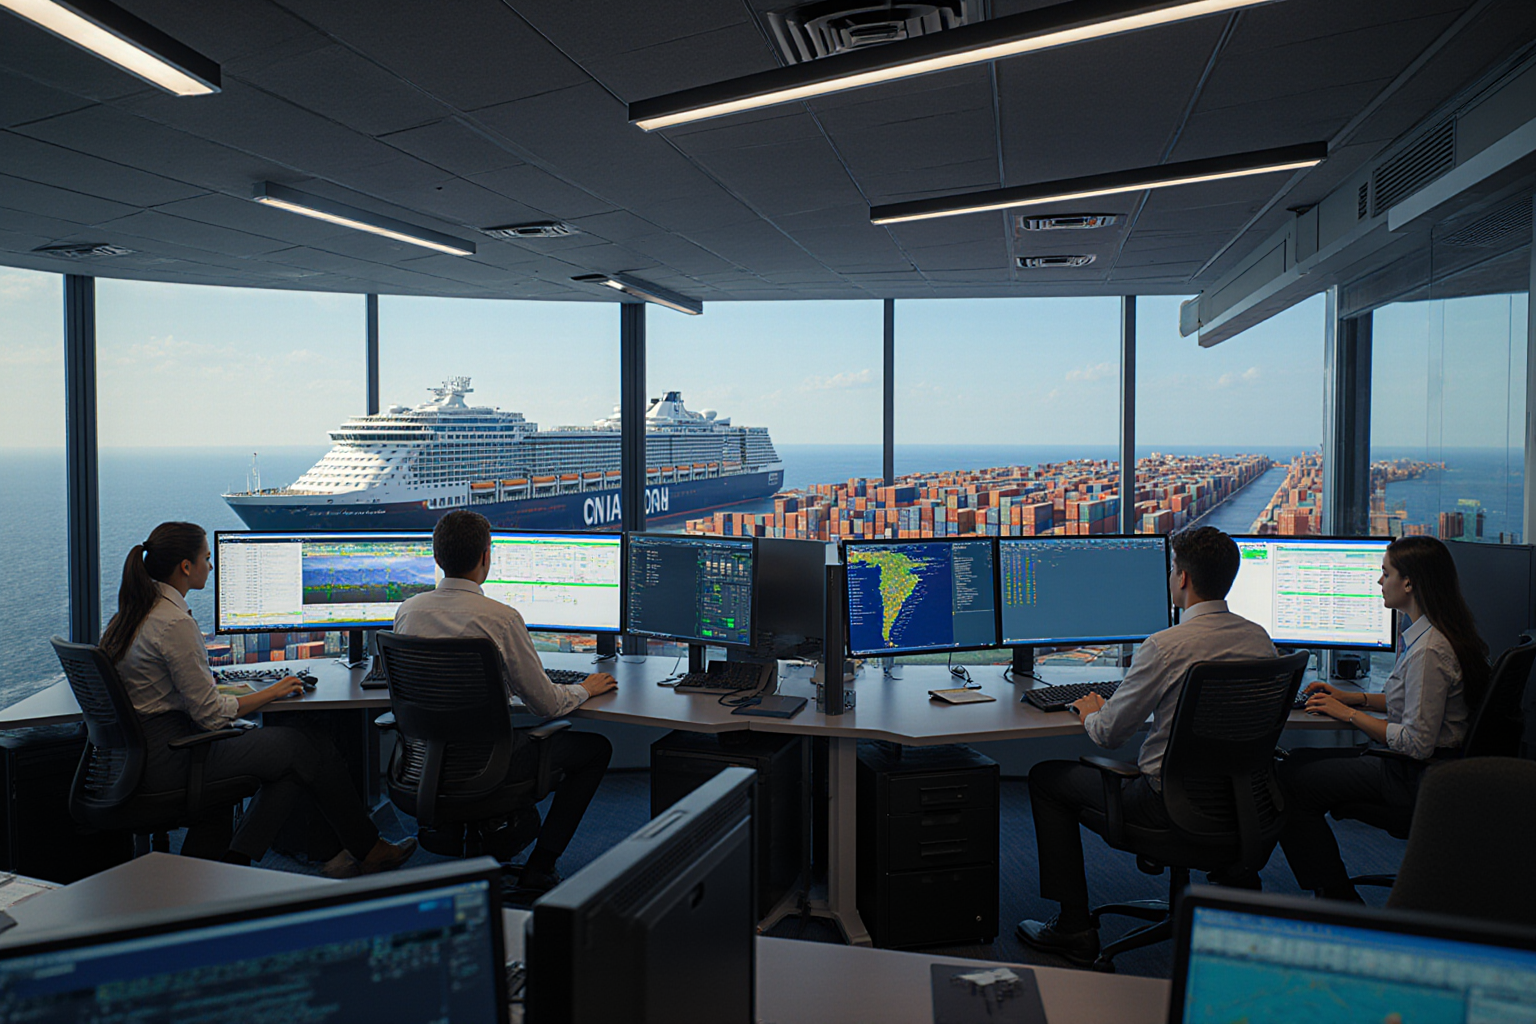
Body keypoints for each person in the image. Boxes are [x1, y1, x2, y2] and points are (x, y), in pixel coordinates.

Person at [1016, 526, 1277, 966]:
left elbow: (1110, 735)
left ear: (1182, 579)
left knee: (1047, 779)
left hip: (1166, 806)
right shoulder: (1260, 640)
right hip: (1243, 805)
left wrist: (1092, 709)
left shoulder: (1165, 646)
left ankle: (1074, 927)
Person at [99, 521, 417, 875]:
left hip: (138, 761)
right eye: (206, 558)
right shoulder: (173, 623)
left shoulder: (130, 615)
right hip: (171, 759)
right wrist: (273, 691)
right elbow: (212, 716)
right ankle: (366, 849)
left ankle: (238, 867)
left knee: (294, 765)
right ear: (185, 567)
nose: (211, 566)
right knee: (307, 749)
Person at [393, 510, 618, 891]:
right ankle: (540, 866)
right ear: (486, 557)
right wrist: (586, 688)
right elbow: (547, 705)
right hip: (489, 769)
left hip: (421, 765)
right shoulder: (501, 618)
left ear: (436, 557)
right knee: (595, 750)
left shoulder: (407, 611)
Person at [1278, 535, 1483, 902]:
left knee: (1289, 781)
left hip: (1411, 774)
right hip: (1423, 768)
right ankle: (1327, 890)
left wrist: (1348, 714)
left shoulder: (1430, 650)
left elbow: (1416, 742)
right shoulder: (1435, 634)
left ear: (1409, 583)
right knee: (1297, 762)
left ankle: (1337, 898)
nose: (1378, 582)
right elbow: (1412, 703)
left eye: (1385, 573)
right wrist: (1352, 696)